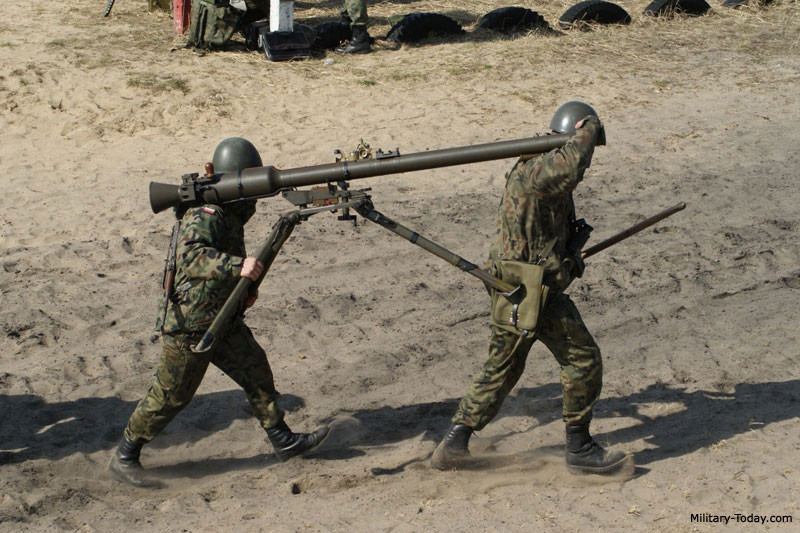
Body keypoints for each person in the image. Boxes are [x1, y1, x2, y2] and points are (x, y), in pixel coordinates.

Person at [109, 138, 329, 487]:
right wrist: (238, 266)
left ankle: (282, 439)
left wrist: (244, 291)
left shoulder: (229, 212)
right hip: (191, 325)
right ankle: (125, 455)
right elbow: (193, 258)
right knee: (170, 396)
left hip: (222, 316)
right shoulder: (206, 214)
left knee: (255, 369)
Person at [431, 102, 631, 475]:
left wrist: (568, 259)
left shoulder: (539, 166)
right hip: (524, 289)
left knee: (514, 365)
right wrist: (590, 128)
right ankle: (578, 448)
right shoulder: (539, 170)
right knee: (546, 362)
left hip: (534, 285)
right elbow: (572, 165)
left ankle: (456, 444)